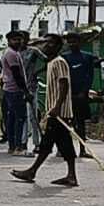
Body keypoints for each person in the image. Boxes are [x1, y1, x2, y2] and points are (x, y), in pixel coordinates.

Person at [11, 34, 78, 186]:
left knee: (48, 144)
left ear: (58, 46)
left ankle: (32, 171)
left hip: (59, 112)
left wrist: (56, 107)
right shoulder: (51, 62)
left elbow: (64, 84)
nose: (46, 45)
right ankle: (70, 175)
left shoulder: (59, 62)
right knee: (62, 144)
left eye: (51, 43)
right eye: (45, 43)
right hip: (55, 111)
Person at [62, 32, 100, 156]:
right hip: (68, 95)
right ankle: (64, 150)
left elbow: (90, 76)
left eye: (74, 41)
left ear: (80, 42)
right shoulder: (64, 57)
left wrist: (84, 91)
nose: (72, 44)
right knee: (65, 123)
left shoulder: (87, 57)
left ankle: (82, 150)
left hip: (82, 95)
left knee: (81, 123)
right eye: (69, 42)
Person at [0, 30, 29, 156]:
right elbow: (17, 74)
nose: (18, 42)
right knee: (19, 118)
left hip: (9, 89)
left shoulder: (12, 53)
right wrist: (25, 91)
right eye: (15, 40)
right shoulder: (11, 54)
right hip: (14, 89)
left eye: (19, 39)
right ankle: (17, 146)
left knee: (12, 118)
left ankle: (12, 146)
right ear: (9, 41)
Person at [20, 38, 45, 154]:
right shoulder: (15, 53)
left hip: (31, 86)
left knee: (33, 116)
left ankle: (36, 143)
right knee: (23, 116)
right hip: (19, 87)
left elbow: (47, 60)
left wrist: (37, 72)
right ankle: (23, 142)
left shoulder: (33, 51)